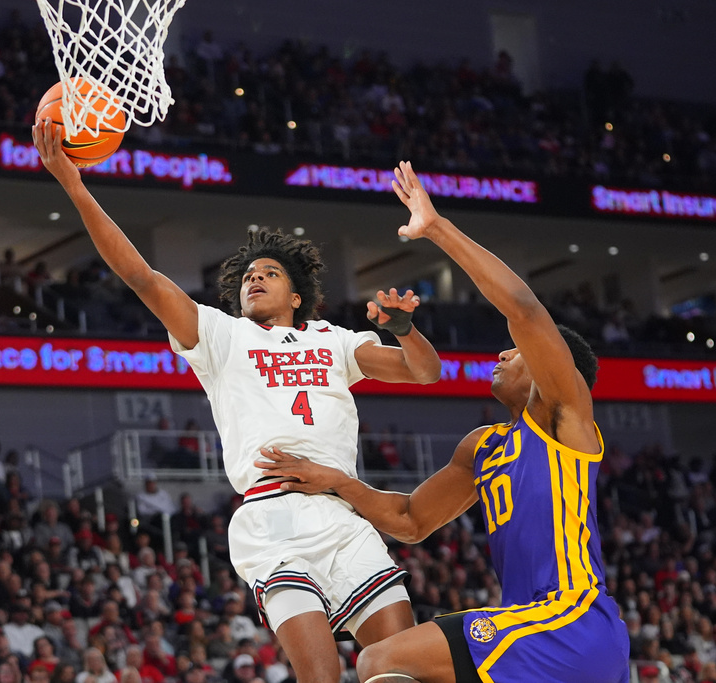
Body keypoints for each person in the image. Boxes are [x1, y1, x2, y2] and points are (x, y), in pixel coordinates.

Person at [33, 122, 442, 683]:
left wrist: (404, 329)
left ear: (296, 295)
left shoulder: (334, 339)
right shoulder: (222, 337)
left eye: (269, 274)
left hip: (342, 511)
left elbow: (425, 372)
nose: (255, 280)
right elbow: (142, 277)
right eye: (249, 275)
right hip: (271, 517)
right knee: (319, 676)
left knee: (400, 667)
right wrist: (75, 185)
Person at [257, 160, 629, 683]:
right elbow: (410, 521)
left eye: (517, 352)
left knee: (381, 659)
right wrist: (340, 482)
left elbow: (522, 307)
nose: (502, 354)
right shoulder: (484, 446)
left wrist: (435, 227)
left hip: (568, 622)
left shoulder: (565, 420)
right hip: (537, 636)